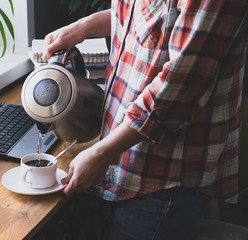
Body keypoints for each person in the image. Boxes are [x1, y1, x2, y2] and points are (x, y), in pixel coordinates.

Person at [42, 1, 248, 239]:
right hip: (124, 153)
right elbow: (141, 17)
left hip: (167, 175)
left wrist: (102, 153)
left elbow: (179, 87)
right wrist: (82, 28)